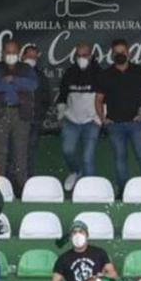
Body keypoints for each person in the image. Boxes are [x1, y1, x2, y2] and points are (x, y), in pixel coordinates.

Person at [95, 38, 141, 191]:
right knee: (120, 159)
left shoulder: (139, 71)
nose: (120, 55)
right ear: (112, 54)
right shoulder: (106, 74)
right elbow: (98, 99)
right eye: (116, 53)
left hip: (136, 123)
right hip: (114, 124)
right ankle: (123, 192)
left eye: (122, 52)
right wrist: (103, 118)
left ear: (128, 52)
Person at [0, 39, 38, 190]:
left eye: (14, 52)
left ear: (19, 53)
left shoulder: (26, 68)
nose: (11, 55)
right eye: (8, 53)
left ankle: (22, 190)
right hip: (1, 112)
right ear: (2, 54)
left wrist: (13, 80)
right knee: (0, 154)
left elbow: (33, 85)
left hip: (21, 113)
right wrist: (18, 84)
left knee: (20, 153)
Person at [56, 43, 103, 190]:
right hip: (71, 121)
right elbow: (62, 96)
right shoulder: (70, 72)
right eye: (79, 55)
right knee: (67, 151)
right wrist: (61, 115)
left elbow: (105, 97)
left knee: (88, 158)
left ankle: (90, 191)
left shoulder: (99, 73)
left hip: (91, 121)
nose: (81, 58)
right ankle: (76, 171)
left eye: (85, 55)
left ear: (91, 56)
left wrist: (100, 118)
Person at [50, 220, 116, 281]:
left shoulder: (99, 253)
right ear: (70, 237)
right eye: (74, 232)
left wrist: (103, 276)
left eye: (81, 231)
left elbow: (113, 274)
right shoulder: (63, 258)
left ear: (87, 235)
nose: (77, 235)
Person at [24, 44, 52, 181]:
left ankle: (28, 182)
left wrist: (40, 115)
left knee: (30, 152)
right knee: (13, 152)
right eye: (29, 56)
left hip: (34, 120)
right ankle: (11, 183)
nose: (31, 59)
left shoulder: (40, 76)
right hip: (16, 119)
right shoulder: (15, 73)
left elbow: (46, 98)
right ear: (23, 56)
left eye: (34, 57)